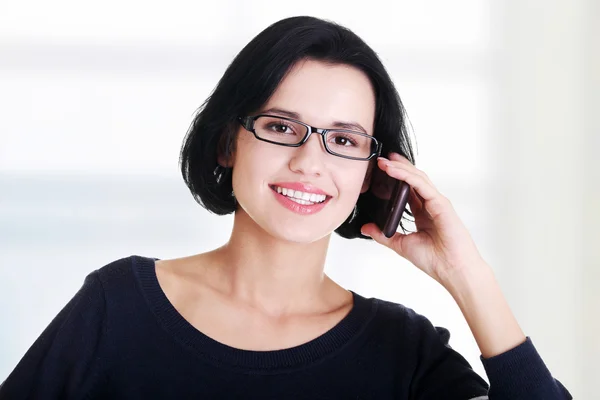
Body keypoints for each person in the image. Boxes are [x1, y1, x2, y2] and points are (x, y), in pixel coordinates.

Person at [0, 16, 572, 399]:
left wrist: (468, 275)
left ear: (375, 172)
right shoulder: (116, 306)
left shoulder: (404, 352)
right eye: (281, 127)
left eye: (344, 140)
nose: (309, 162)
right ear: (229, 141)